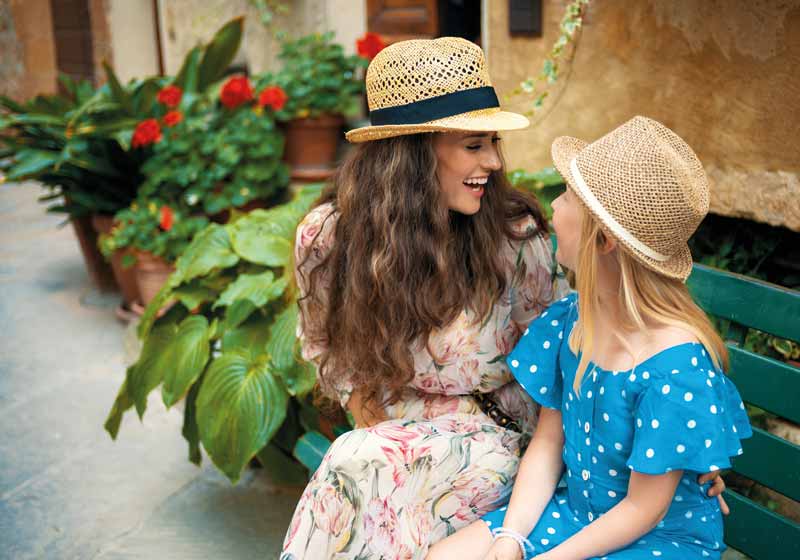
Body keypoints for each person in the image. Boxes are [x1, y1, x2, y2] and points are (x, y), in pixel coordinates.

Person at [280, 37, 727, 560]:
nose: (493, 161)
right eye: (474, 145)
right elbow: (325, 344)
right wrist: (377, 423)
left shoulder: (516, 237)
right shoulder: (329, 237)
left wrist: (682, 454)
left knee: (363, 467)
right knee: (368, 466)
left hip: (495, 434)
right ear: (413, 155)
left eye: (493, 142)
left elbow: (583, 365)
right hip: (386, 431)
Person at [426, 116, 752, 560]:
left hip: (656, 539)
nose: (554, 206)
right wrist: (512, 539)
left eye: (567, 196)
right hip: (580, 512)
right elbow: (549, 441)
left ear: (603, 242)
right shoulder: (574, 321)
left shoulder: (675, 369)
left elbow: (642, 509)